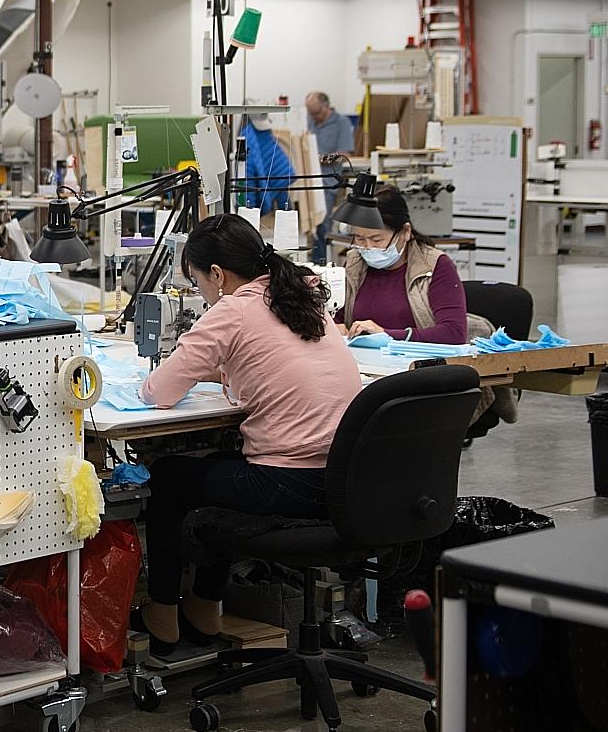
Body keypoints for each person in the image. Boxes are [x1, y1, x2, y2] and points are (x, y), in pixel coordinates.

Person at [133, 214, 361, 656]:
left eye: (197, 281)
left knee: (168, 477)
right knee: (220, 465)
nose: (199, 293)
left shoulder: (233, 310)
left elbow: (158, 391)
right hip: (344, 481)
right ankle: (205, 606)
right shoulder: (304, 294)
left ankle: (162, 612)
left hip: (288, 483)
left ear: (217, 275)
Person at [338, 185, 468, 344]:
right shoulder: (354, 265)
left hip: (418, 365)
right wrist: (335, 328)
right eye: (359, 239)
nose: (367, 247)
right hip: (364, 363)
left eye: (377, 240)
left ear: (405, 231)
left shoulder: (435, 266)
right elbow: (337, 318)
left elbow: (454, 333)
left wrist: (386, 335)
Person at [306, 91, 355, 262]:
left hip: (326, 183)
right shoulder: (309, 120)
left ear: (326, 107)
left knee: (322, 225)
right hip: (306, 180)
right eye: (311, 113)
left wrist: (319, 158)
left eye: (317, 113)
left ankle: (320, 264)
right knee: (304, 225)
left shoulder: (341, 123)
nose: (314, 117)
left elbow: (344, 154)